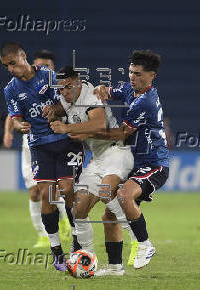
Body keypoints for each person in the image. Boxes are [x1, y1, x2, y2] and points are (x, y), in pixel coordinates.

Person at [0, 42, 84, 271]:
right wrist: (18, 126)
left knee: (68, 190)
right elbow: (15, 116)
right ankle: (56, 250)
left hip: (64, 141)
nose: (10, 69)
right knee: (46, 195)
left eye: (13, 63)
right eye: (6, 66)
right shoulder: (11, 89)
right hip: (39, 145)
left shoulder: (48, 75)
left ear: (23, 56)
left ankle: (77, 241)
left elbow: (69, 97)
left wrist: (56, 108)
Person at [47, 66, 136, 275]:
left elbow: (98, 123)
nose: (64, 93)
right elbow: (61, 109)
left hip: (117, 152)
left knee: (107, 194)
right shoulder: (66, 98)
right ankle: (86, 257)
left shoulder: (90, 95)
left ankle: (140, 241)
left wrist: (67, 128)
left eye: (68, 87)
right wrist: (52, 110)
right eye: (60, 90)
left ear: (78, 82)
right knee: (79, 208)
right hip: (97, 160)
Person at [93, 50, 170, 271]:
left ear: (151, 75)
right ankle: (115, 267)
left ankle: (145, 244)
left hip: (154, 163)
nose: (132, 77)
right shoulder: (130, 89)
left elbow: (119, 134)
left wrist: (84, 132)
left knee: (124, 195)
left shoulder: (146, 101)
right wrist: (101, 90)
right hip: (134, 164)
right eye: (130, 72)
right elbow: (110, 91)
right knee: (108, 216)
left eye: (137, 74)